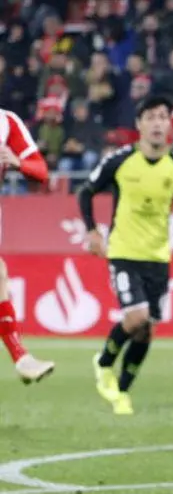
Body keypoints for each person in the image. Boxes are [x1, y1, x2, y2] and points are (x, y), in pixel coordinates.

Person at [78, 96, 173, 415]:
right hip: (124, 252)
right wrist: (92, 232)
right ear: (139, 124)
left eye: (163, 117)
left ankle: (122, 391)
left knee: (147, 330)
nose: (158, 123)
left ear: (170, 125)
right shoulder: (120, 161)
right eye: (151, 117)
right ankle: (104, 361)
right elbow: (86, 191)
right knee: (136, 317)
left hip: (158, 257)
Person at [0, 108, 56, 384]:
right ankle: (20, 357)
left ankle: (21, 358)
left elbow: (41, 170)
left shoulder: (6, 122)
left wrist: (17, 162)